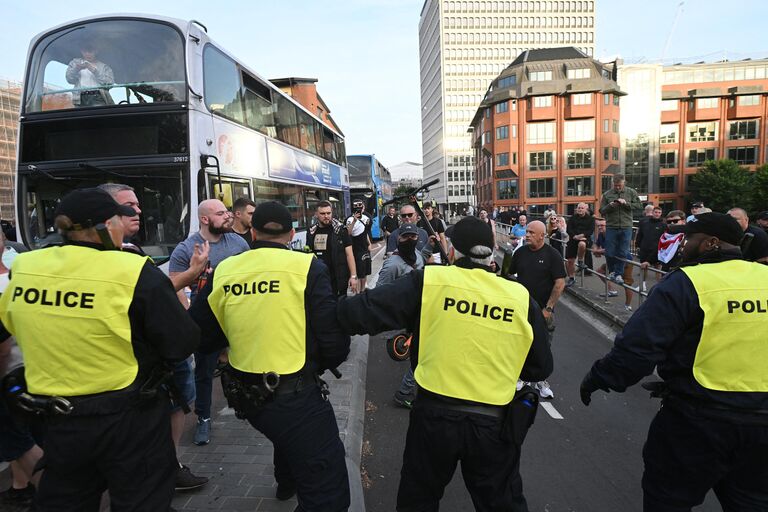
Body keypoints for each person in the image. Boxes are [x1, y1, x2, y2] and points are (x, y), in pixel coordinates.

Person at [0, 188, 199, 511]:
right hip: (126, 417)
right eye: (122, 219)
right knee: (142, 499)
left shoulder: (25, 266)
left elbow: (6, 325)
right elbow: (182, 341)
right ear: (107, 225)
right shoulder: (130, 270)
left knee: (66, 498)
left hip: (58, 419)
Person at [337, 216, 552, 511]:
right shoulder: (520, 297)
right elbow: (540, 368)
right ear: (493, 252)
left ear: (452, 251)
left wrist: (320, 310)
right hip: (493, 424)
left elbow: (367, 310)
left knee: (419, 499)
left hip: (434, 419)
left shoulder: (430, 281)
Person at [580, 212, 768, 512]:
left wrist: (600, 377)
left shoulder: (686, 283)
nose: (681, 246)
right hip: (761, 427)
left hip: (699, 422)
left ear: (710, 243)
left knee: (668, 500)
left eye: (688, 239)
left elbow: (637, 350)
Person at [189, 201, 351, 510]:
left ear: (252, 232)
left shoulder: (226, 269)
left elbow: (202, 334)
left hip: (245, 396)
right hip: (294, 393)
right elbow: (333, 341)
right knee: (328, 490)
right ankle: (292, 481)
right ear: (292, 235)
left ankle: (286, 481)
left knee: (284, 430)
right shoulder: (308, 268)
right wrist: (320, 363)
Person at [169, 199, 249, 452]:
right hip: (206, 323)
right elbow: (176, 286)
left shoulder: (238, 243)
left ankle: (246, 405)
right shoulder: (185, 249)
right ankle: (203, 418)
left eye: (227, 211)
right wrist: (192, 317)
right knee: (203, 372)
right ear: (204, 219)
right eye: (220, 213)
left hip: (237, 318)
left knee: (242, 363)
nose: (227, 216)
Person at [0, 233, 42, 510]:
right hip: (30, 369)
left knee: (20, 441)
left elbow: (2, 347)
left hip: (10, 373)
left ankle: (59, 496)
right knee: (20, 439)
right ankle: (20, 486)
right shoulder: (23, 271)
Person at [507, 220, 566, 399]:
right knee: (520, 344)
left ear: (542, 235)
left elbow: (560, 282)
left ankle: (542, 381)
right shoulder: (521, 253)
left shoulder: (552, 255)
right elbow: (509, 273)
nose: (528, 235)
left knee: (544, 346)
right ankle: (521, 377)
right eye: (527, 232)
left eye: (532, 232)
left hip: (543, 310)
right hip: (522, 309)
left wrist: (548, 308)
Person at [377, 223, 426, 408]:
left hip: (419, 312)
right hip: (405, 316)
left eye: (413, 237)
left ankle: (409, 389)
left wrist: (429, 245)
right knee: (422, 353)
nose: (410, 240)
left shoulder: (418, 255)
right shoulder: (392, 265)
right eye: (406, 237)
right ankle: (405, 391)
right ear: (399, 238)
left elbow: (422, 266)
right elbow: (379, 292)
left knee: (423, 352)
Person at [307, 200, 357, 296]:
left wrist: (353, 276)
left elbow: (349, 254)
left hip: (338, 278)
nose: (326, 216)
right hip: (319, 278)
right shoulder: (311, 231)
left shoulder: (341, 230)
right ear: (316, 214)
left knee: (339, 306)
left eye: (328, 213)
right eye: (322, 213)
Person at [599, 174, 642, 285]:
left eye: (619, 185)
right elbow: (602, 211)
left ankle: (618, 274)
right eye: (616, 185)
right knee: (609, 251)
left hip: (626, 225)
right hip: (611, 226)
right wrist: (610, 206)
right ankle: (612, 271)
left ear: (624, 183)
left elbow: (639, 206)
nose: (617, 187)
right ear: (613, 183)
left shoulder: (631, 192)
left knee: (623, 251)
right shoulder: (607, 194)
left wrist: (626, 204)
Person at [65, 41, 114, 107]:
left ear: (96, 51)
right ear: (81, 51)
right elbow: (69, 79)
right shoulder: (75, 63)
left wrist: (95, 71)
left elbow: (109, 84)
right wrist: (76, 69)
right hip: (79, 98)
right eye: (85, 51)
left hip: (98, 98)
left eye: (90, 51)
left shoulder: (104, 67)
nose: (88, 54)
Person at [346, 199, 373, 292]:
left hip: (364, 248)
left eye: (360, 206)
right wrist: (354, 220)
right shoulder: (349, 219)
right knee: (357, 272)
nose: (359, 209)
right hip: (355, 249)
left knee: (364, 272)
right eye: (356, 207)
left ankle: (362, 290)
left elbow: (366, 232)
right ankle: (357, 294)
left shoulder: (366, 218)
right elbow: (348, 233)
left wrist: (369, 243)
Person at [566, 202, 595, 286]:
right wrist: (575, 236)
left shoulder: (590, 219)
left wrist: (582, 235)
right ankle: (572, 278)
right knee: (570, 260)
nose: (580, 209)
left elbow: (590, 230)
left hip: (584, 239)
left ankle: (580, 261)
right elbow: (569, 229)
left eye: (582, 208)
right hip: (573, 238)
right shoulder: (572, 218)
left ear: (586, 209)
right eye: (579, 208)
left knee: (582, 244)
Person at [635, 206, 666, 282]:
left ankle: (659, 287)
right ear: (652, 212)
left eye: (659, 213)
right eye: (656, 212)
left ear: (661, 214)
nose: (657, 214)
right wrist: (637, 245)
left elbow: (664, 239)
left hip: (656, 250)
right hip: (645, 248)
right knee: (643, 267)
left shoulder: (663, 225)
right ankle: (642, 285)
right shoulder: (645, 223)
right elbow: (640, 235)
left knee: (658, 269)